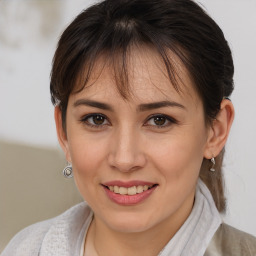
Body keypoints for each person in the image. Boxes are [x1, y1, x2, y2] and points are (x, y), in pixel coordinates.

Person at [2, 0, 256, 255]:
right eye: (97, 119)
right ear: (64, 132)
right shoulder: (25, 249)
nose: (124, 159)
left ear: (215, 130)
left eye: (159, 120)